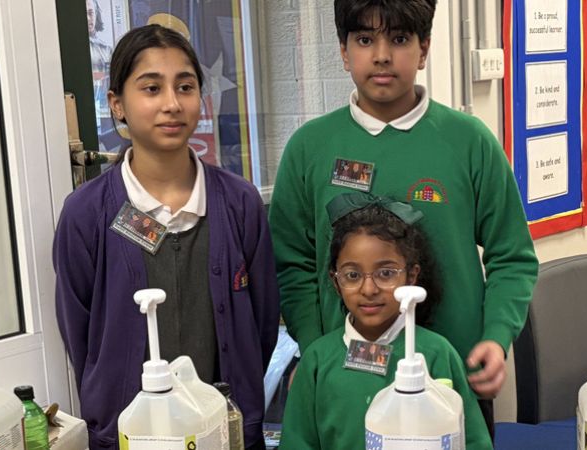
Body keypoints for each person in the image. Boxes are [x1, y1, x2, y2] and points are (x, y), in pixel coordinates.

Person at [269, 0, 538, 437]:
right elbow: (291, 264)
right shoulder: (309, 148)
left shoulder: (469, 142)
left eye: (398, 39)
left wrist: (496, 336)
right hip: (344, 383)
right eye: (363, 39)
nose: (381, 55)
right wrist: (314, 347)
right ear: (342, 50)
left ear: (424, 48)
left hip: (451, 380)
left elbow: (513, 256)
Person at [53, 24, 278, 449]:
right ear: (118, 105)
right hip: (129, 434)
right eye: (151, 88)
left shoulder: (239, 203)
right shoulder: (86, 213)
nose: (172, 104)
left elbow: (262, 325)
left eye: (186, 86)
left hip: (225, 434)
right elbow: (82, 337)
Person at [280, 193, 492, 449]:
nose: (369, 289)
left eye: (386, 273)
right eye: (353, 275)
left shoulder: (437, 354)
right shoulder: (317, 362)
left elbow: (473, 441)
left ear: (411, 276)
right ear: (336, 281)